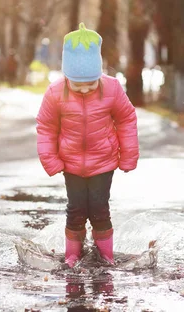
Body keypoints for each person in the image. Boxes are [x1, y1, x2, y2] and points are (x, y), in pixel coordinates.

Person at [36, 23, 139, 268]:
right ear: (66, 76)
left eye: (90, 84)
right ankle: (73, 254)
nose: (84, 89)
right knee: (76, 209)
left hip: (103, 162)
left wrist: (128, 155)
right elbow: (46, 126)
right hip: (71, 164)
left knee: (100, 208)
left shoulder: (112, 88)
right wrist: (50, 159)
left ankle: (105, 255)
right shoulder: (55, 92)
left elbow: (126, 119)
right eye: (77, 84)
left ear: (98, 73)